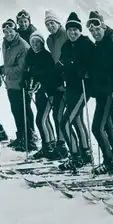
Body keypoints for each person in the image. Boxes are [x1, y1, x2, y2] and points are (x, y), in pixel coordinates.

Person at [86, 11, 113, 175]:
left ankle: (110, 161)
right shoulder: (100, 44)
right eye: (92, 31)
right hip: (101, 91)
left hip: (108, 92)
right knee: (107, 125)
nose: (95, 33)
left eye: (97, 29)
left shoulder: (111, 43)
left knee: (97, 128)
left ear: (103, 27)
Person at [58, 12, 95, 171]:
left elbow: (93, 66)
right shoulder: (66, 45)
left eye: (75, 29)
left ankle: (75, 156)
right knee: (76, 119)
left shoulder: (87, 44)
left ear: (80, 30)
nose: (72, 33)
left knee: (65, 121)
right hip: (70, 88)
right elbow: (61, 64)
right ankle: (85, 152)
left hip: (82, 88)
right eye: (69, 30)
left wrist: (84, 71)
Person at [1, 18, 37, 151]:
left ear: (15, 30)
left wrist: (4, 70)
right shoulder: (5, 43)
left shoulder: (22, 45)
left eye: (10, 31)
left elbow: (20, 68)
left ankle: (29, 140)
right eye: (6, 32)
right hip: (11, 83)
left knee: (24, 111)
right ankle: (21, 137)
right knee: (16, 112)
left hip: (21, 84)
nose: (8, 34)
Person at [25, 31, 61, 160]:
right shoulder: (31, 55)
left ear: (42, 43)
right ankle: (49, 145)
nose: (35, 44)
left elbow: (49, 74)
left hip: (48, 92)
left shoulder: (46, 56)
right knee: (43, 118)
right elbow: (30, 72)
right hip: (39, 93)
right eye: (33, 42)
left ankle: (49, 146)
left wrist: (40, 82)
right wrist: (28, 82)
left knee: (41, 119)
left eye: (37, 42)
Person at [45, 9, 70, 158]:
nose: (50, 26)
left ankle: (77, 148)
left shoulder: (66, 35)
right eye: (48, 24)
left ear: (58, 23)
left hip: (68, 80)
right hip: (58, 81)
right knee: (58, 114)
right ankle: (62, 145)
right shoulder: (49, 40)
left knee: (71, 116)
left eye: (52, 23)